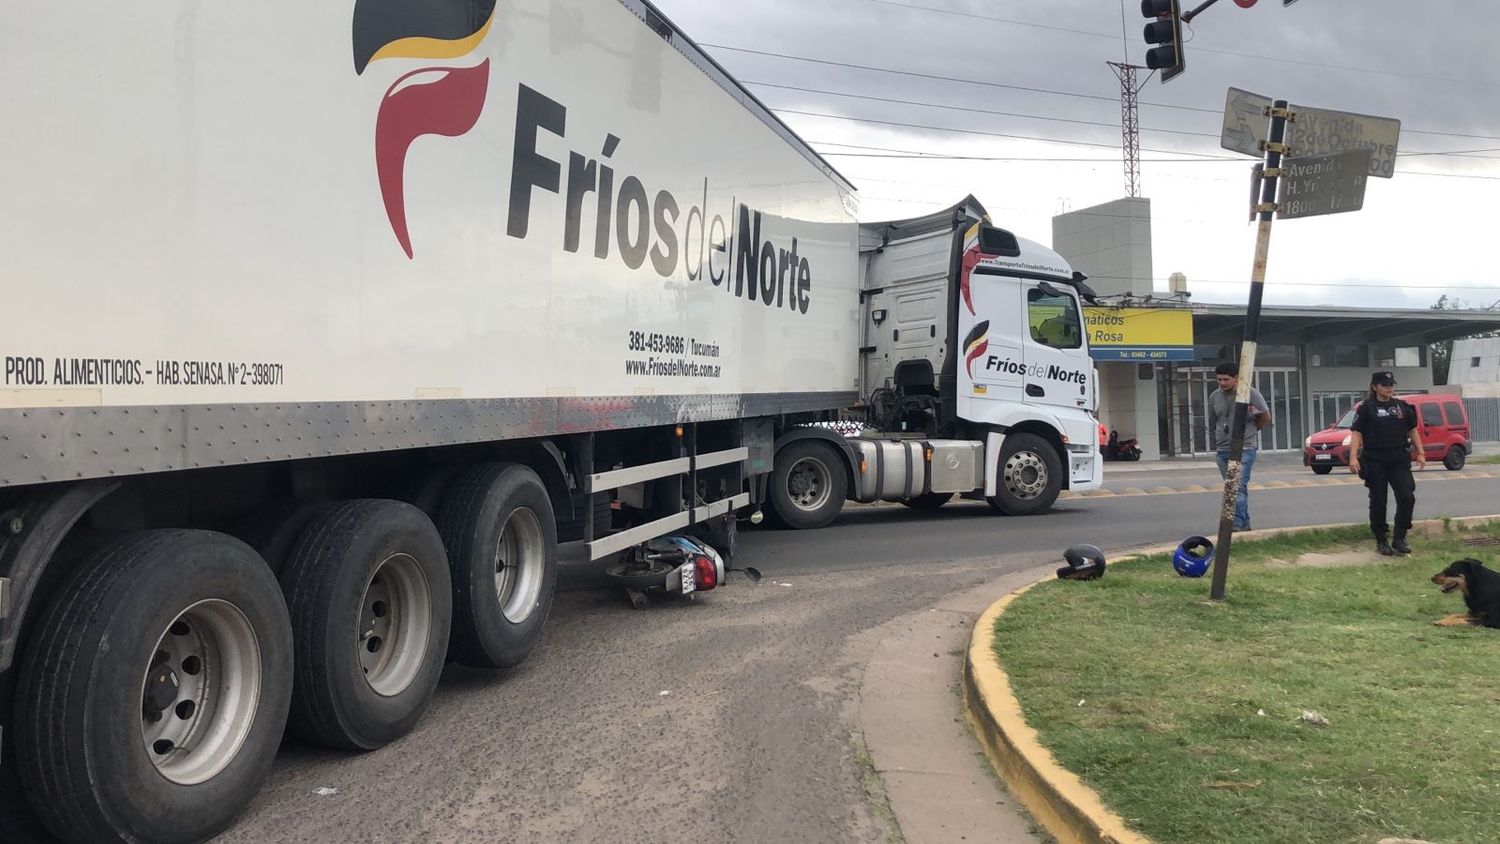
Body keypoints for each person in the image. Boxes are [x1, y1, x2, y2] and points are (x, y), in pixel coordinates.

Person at [1348, 370, 1424, 555]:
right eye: (1384, 385)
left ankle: (1399, 538)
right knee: (1378, 500)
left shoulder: (1402, 406)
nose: (1389, 388)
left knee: (1407, 497)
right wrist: (1352, 457)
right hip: (1375, 460)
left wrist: (1421, 453)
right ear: (1375, 387)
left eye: (1391, 385)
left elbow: (1412, 431)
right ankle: (1381, 540)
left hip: (1398, 459)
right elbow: (1356, 433)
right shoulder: (1366, 407)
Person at [1207, 361, 1271, 531]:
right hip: (1223, 449)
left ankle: (1234, 525)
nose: (1222, 383)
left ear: (1236, 378)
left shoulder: (1249, 394)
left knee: (1236, 486)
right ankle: (1245, 522)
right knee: (1233, 487)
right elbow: (1214, 420)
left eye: (1226, 379)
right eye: (1219, 380)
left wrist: (1252, 430)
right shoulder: (1214, 396)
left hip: (1245, 448)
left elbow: (1265, 416)